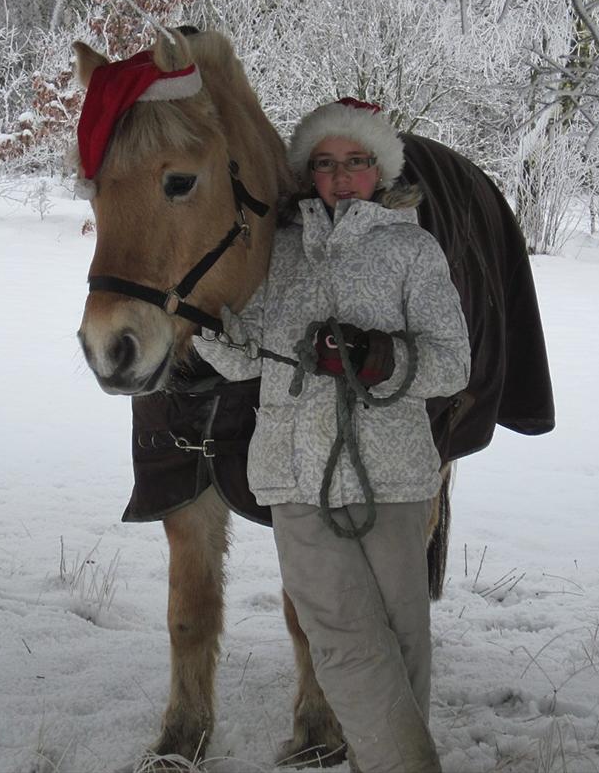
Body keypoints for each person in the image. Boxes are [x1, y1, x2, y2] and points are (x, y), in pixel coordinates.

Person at [195, 98, 470, 772]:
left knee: (401, 638)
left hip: (393, 476)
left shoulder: (413, 248)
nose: (340, 178)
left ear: (380, 169)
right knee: (342, 638)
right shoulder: (279, 251)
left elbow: (452, 361)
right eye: (324, 164)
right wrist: (205, 326)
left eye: (354, 162)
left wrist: (379, 357)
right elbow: (249, 356)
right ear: (308, 173)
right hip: (294, 474)